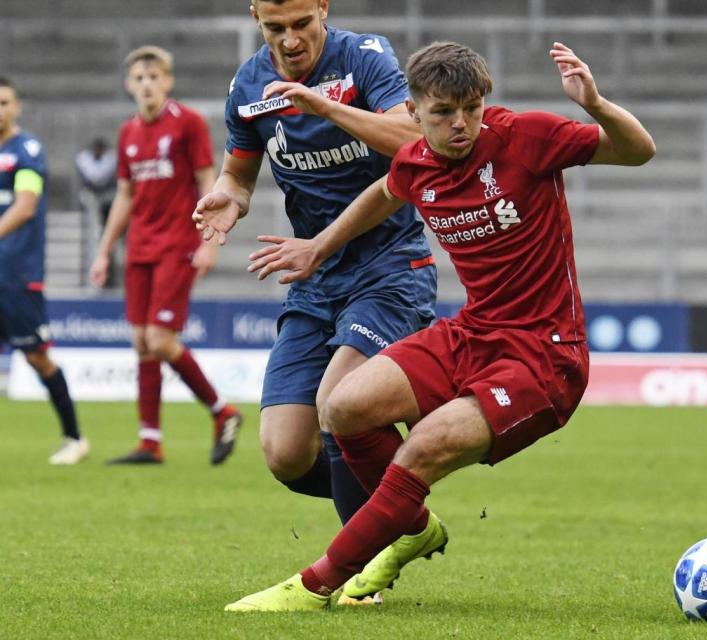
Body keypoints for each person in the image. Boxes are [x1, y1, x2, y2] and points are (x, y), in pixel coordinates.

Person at [222, 40, 656, 611]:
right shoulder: (414, 161)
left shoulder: (528, 136)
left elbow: (637, 151)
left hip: (545, 357)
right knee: (343, 409)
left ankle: (314, 585)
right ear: (413, 112)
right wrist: (319, 248)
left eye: (471, 109)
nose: (462, 125)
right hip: (473, 333)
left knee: (422, 447)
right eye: (443, 113)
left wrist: (595, 104)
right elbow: (384, 191)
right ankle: (415, 525)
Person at [192, 0, 437, 601]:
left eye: (302, 23)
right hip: (313, 278)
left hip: (388, 268)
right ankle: (405, 516)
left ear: (323, 8)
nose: (292, 38)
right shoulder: (249, 84)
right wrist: (228, 196)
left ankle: (356, 573)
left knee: (339, 407)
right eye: (276, 28)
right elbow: (240, 173)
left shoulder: (366, 58)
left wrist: (328, 107)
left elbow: (412, 140)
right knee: (284, 452)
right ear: (256, 17)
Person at [89, 46, 242, 465]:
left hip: (177, 245)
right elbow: (124, 196)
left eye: (155, 76)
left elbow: (207, 182)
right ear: (129, 85)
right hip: (139, 246)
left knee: (160, 339)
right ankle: (150, 441)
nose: (147, 84)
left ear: (168, 81)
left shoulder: (188, 124)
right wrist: (104, 252)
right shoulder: (128, 133)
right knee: (141, 342)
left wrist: (209, 243)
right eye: (139, 78)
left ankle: (223, 411)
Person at [0, 76, 90, 465]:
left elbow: (25, 206)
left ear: (17, 107)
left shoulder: (26, 151)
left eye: (4, 102)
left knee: (37, 357)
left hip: (16, 274)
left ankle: (74, 438)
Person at [76, 137, 117, 286]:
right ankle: (92, 281)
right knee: (94, 240)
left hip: (109, 208)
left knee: (111, 245)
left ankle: (110, 280)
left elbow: (98, 178)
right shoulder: (84, 159)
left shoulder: (111, 159)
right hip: (91, 206)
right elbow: (95, 177)